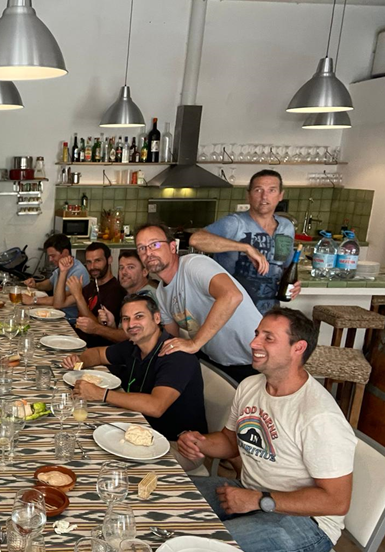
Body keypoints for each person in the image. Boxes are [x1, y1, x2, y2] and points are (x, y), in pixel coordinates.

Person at [178, 308, 356, 552]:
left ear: (298, 348)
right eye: (257, 334)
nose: (254, 343)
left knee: (198, 551)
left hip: (307, 526)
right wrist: (198, 442)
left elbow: (336, 501)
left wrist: (260, 500)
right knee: (169, 498)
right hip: (251, 493)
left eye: (268, 338)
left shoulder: (319, 416)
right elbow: (230, 442)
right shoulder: (250, 386)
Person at [62, 294, 207, 472]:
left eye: (139, 316)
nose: (131, 324)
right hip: (138, 428)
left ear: (157, 318)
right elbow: (97, 354)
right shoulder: (135, 344)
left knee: (103, 463)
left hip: (178, 445)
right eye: (126, 319)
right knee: (83, 439)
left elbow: (156, 406)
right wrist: (79, 361)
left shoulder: (176, 356)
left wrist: (102, 394)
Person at [136, 223, 263, 383]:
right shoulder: (161, 293)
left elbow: (232, 295)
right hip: (219, 363)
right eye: (141, 248)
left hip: (255, 359)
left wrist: (194, 343)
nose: (148, 253)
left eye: (154, 244)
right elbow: (172, 341)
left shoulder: (193, 265)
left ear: (173, 247)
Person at [189, 170, 300, 314]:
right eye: (258, 190)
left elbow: (286, 268)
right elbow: (196, 239)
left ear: (280, 195)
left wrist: (295, 286)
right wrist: (246, 248)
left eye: (271, 190)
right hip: (231, 311)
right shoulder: (235, 223)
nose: (264, 196)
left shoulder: (287, 227)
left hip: (269, 312)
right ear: (248, 195)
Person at [61, 242, 126, 346]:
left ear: (109, 260)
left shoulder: (116, 291)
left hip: (94, 347)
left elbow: (99, 329)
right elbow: (59, 303)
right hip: (77, 339)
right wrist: (63, 272)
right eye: (89, 262)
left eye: (97, 261)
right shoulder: (91, 286)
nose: (92, 266)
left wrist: (78, 296)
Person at [23, 234, 89, 322]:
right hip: (56, 314)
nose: (50, 259)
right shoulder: (60, 267)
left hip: (69, 321)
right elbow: (50, 283)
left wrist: (33, 300)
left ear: (65, 253)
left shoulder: (78, 271)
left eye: (53, 256)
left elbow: (60, 300)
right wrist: (36, 285)